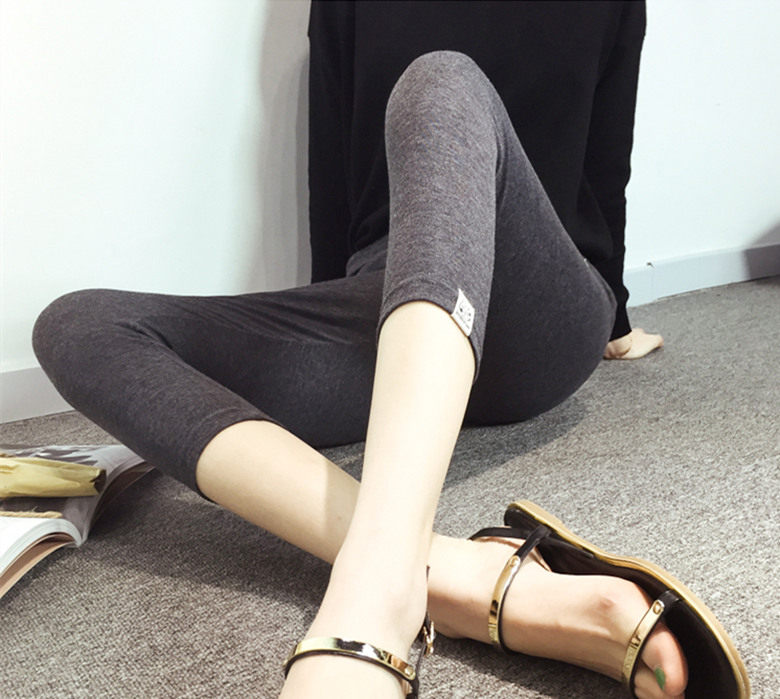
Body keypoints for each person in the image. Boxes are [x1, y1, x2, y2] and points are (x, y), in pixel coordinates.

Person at [33, 2, 748, 698]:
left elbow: (604, 167)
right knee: (77, 325)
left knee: (440, 80)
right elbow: (333, 174)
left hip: (541, 307)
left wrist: (612, 319)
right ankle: (458, 574)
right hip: (398, 311)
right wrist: (328, 315)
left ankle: (375, 595)